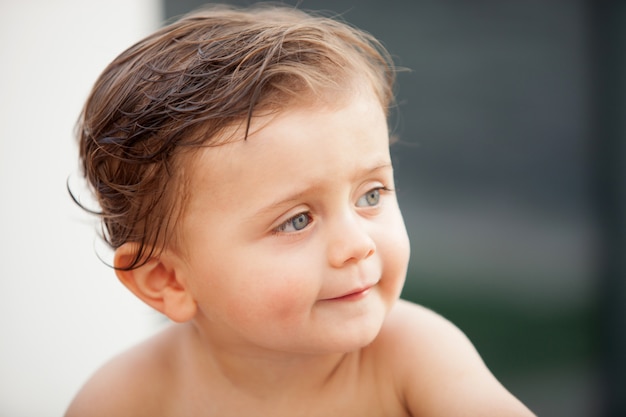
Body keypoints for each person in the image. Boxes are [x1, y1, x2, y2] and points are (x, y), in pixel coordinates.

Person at [65, 4, 535, 416]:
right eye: (296, 220)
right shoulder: (127, 399)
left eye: (370, 195)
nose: (356, 245)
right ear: (168, 279)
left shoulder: (415, 356)